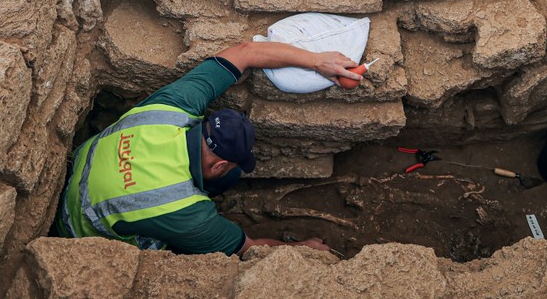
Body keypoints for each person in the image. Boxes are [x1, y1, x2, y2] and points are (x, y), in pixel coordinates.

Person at [58, 40, 363, 254]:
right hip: (79, 236)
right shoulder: (187, 212)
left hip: (73, 178)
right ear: (218, 165)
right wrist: (301, 247)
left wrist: (317, 61)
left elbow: (245, 52)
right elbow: (247, 248)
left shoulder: (173, 107)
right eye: (231, 165)